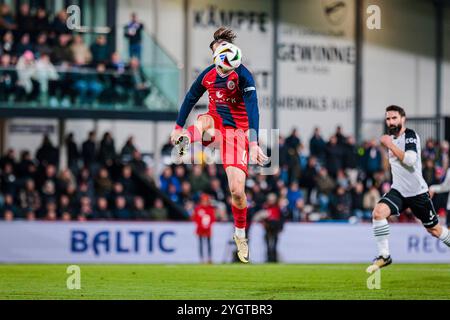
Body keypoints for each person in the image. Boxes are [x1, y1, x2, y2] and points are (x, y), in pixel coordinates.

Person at [170, 27, 268, 263]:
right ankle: (184, 141)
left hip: (237, 135)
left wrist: (253, 144)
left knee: (237, 192)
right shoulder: (208, 74)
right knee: (204, 119)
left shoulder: (244, 76)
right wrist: (177, 126)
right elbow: (191, 97)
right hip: (214, 127)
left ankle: (240, 235)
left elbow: (253, 108)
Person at [366, 105, 450, 273]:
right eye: (388, 119)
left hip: (417, 193)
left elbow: (410, 160)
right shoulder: (391, 139)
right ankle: (384, 256)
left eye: (394, 118)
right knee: (378, 213)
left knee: (434, 229)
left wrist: (389, 145)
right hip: (399, 191)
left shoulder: (409, 136)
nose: (390, 121)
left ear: (403, 119)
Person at [192, 193, 216, 264]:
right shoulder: (198, 209)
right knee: (201, 243)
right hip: (200, 229)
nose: (205, 202)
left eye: (206, 201)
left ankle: (209, 258)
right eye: (203, 201)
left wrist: (208, 225)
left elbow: (212, 219)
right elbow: (195, 218)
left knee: (209, 244)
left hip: (208, 229)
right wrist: (201, 225)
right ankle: (201, 259)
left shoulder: (210, 209)